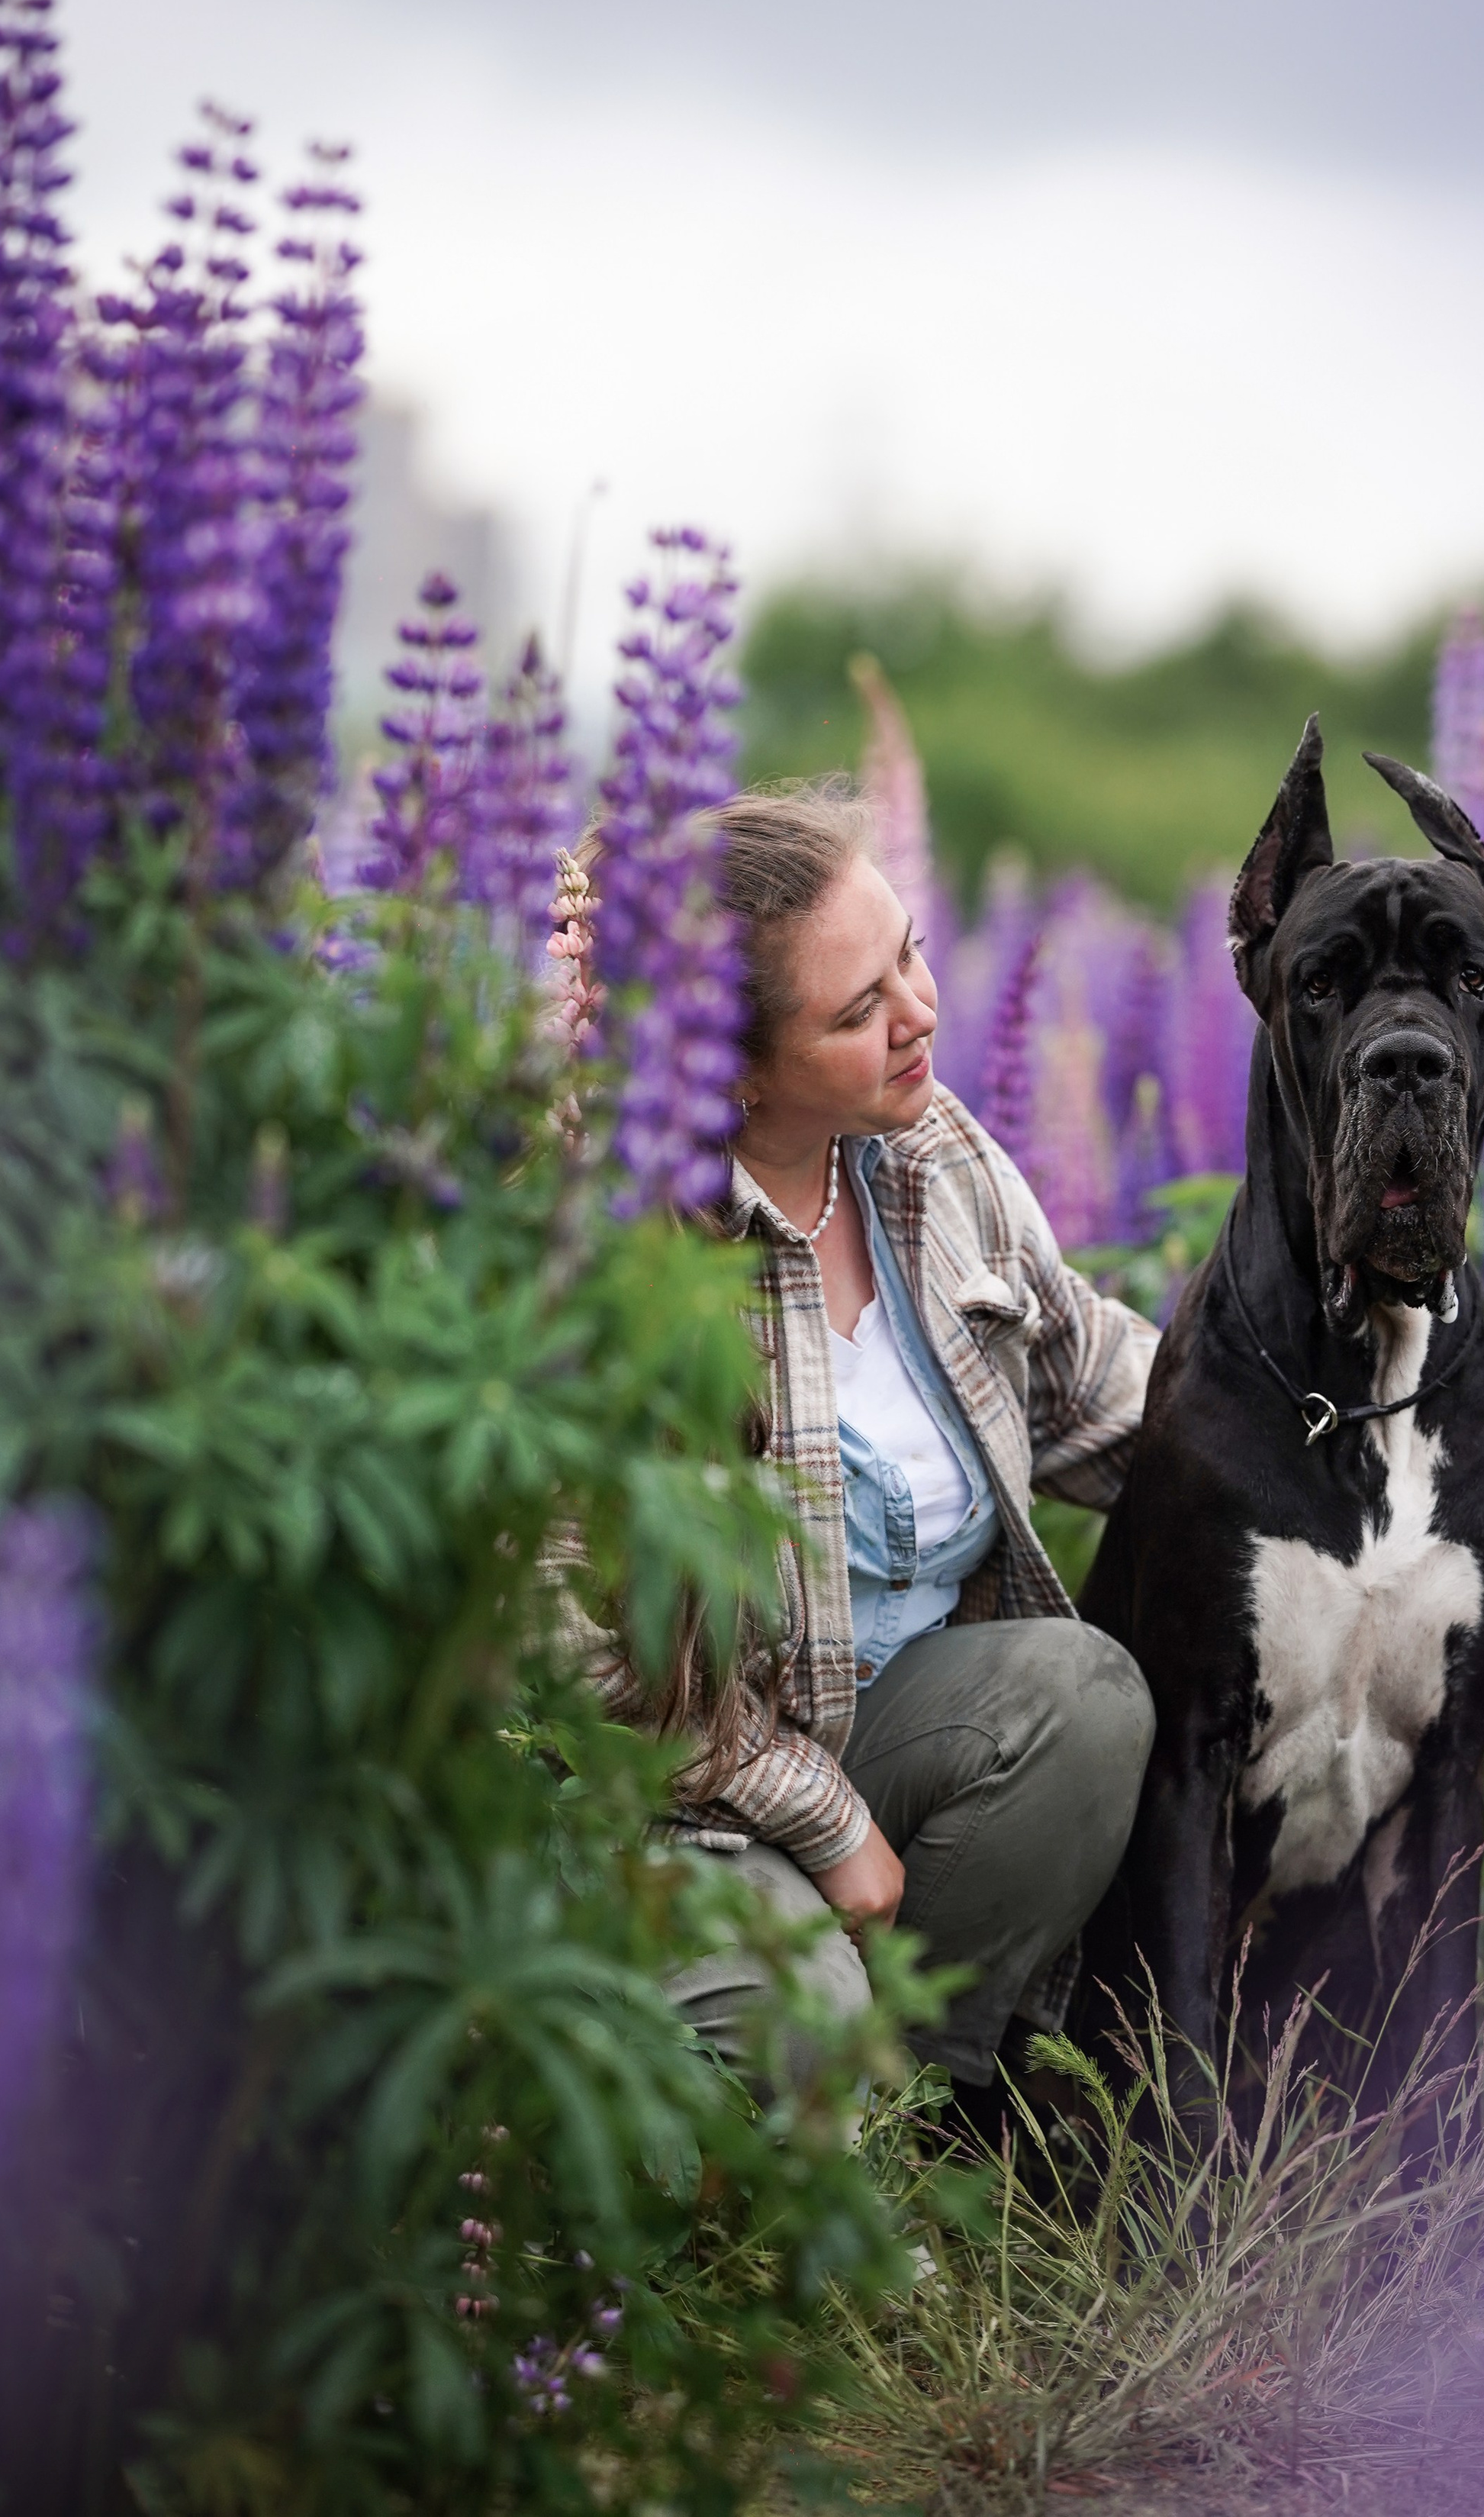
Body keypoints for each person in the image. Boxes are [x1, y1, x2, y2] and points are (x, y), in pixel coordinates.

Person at [581, 786, 1157, 2122]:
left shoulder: (925, 1153)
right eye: (858, 1010)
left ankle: (913, 2130)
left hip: (896, 1736)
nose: (922, 1009)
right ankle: (764, 2173)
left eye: (907, 949)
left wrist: (1326, 1441)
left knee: (1081, 1697)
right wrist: (822, 1819)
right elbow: (578, 1656)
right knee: (797, 2013)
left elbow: (1103, 1389)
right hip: (678, 1796)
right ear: (733, 1066)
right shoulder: (626, 1249)